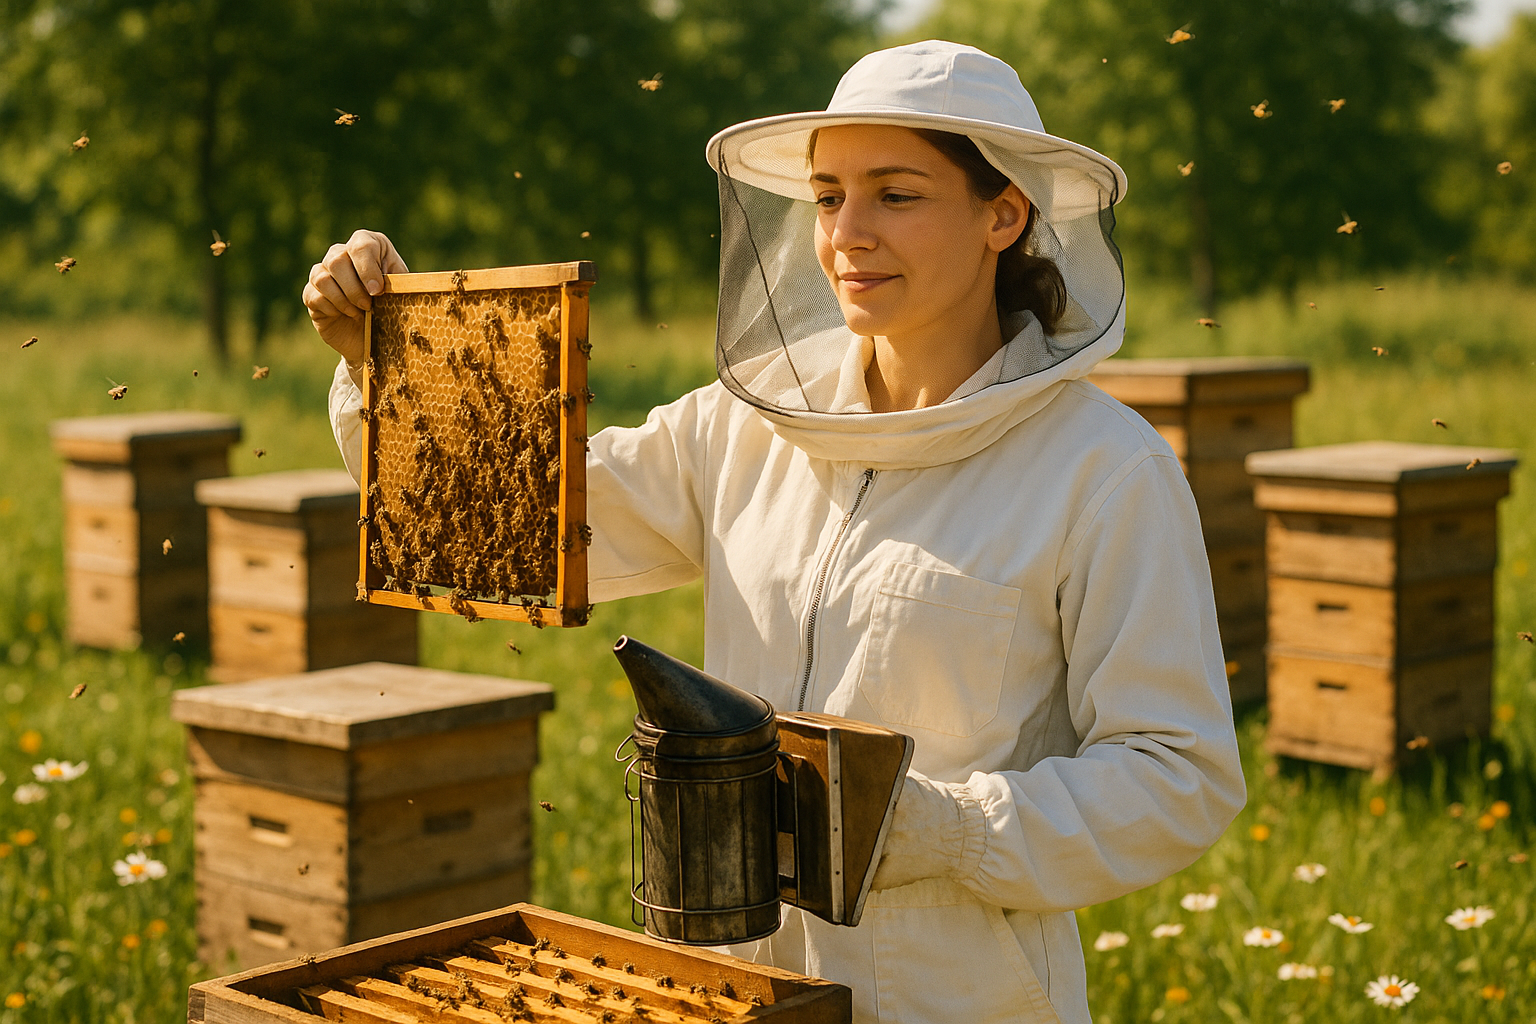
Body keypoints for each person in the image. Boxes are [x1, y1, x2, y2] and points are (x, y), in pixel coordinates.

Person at [308, 40, 1244, 1024]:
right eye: (829, 196)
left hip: (957, 996)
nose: (848, 234)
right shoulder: (748, 421)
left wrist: (942, 828)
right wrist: (387, 359)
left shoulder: (1102, 469)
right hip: (731, 983)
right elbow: (513, 524)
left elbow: (1178, 773)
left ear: (1002, 214)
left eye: (897, 194)